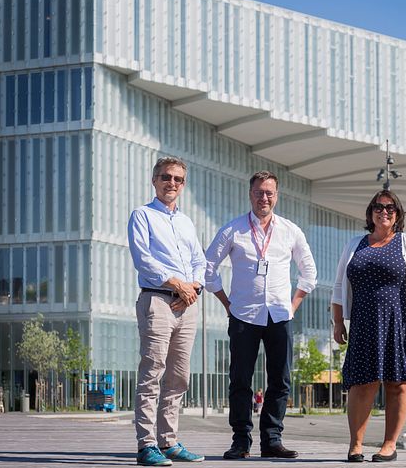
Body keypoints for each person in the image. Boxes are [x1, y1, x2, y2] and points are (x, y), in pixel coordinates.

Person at [205, 170, 317, 460]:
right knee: (240, 380)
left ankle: (272, 439)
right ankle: (241, 441)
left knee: (280, 381)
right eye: (258, 192)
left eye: (269, 193)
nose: (263, 198)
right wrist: (226, 303)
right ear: (250, 194)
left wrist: (294, 305)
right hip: (243, 315)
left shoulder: (290, 230)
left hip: (280, 315)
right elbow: (207, 268)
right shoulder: (233, 230)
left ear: (276, 196)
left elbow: (309, 273)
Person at [331, 190, 406, 463]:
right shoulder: (356, 244)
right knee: (362, 383)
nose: (384, 211)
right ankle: (356, 445)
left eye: (390, 208)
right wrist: (338, 322)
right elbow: (339, 286)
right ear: (370, 213)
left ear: (398, 214)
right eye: (378, 207)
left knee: (397, 383)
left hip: (401, 321)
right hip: (364, 322)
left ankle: (389, 444)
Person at [128, 156, 206, 466]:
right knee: (152, 373)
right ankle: (147, 444)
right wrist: (177, 283)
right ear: (154, 180)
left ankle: (169, 441)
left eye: (177, 179)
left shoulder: (186, 222)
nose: (170, 182)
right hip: (158, 300)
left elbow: (200, 261)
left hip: (186, 304)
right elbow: (142, 258)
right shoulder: (142, 215)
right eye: (165, 177)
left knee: (178, 378)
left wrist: (194, 288)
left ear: (183, 184)